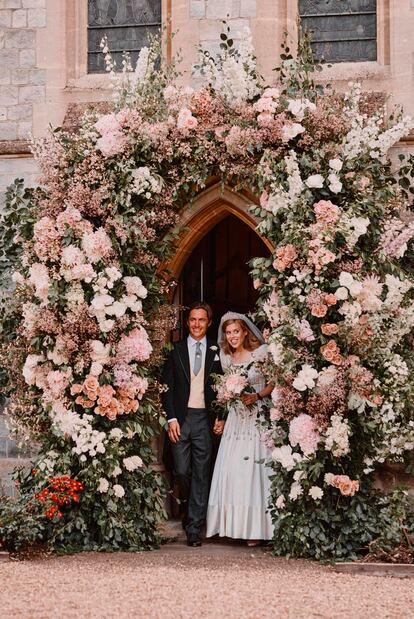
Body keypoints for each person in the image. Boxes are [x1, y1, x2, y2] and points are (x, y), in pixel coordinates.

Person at [206, 312, 274, 545]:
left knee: (254, 471)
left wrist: (256, 395)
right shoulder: (226, 357)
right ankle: (234, 525)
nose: (233, 336)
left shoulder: (261, 353)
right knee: (233, 470)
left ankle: (256, 529)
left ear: (245, 331)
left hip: (257, 417)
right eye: (228, 332)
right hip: (236, 419)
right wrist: (221, 417)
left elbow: (273, 382)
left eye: (236, 331)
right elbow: (225, 394)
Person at [162, 302, 224, 547]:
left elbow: (224, 389)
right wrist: (171, 418)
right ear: (187, 322)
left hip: (204, 420)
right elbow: (167, 388)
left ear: (209, 323)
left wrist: (221, 415)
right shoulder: (175, 350)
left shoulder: (216, 351)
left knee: (201, 473)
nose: (197, 324)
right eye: (192, 320)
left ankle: (194, 528)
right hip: (181, 418)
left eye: (201, 320)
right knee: (181, 471)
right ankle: (190, 510)